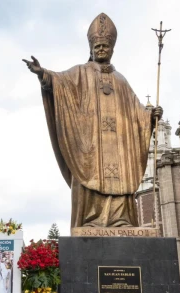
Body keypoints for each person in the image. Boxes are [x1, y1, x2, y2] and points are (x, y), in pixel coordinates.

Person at [22, 13, 163, 227]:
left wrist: (150, 116)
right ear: (91, 49)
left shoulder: (120, 80)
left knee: (120, 180)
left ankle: (120, 221)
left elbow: (136, 111)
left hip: (117, 148)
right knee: (88, 175)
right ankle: (91, 221)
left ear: (112, 49)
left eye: (105, 47)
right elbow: (61, 83)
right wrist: (43, 74)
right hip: (90, 143)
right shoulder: (80, 72)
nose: (101, 50)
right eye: (97, 47)